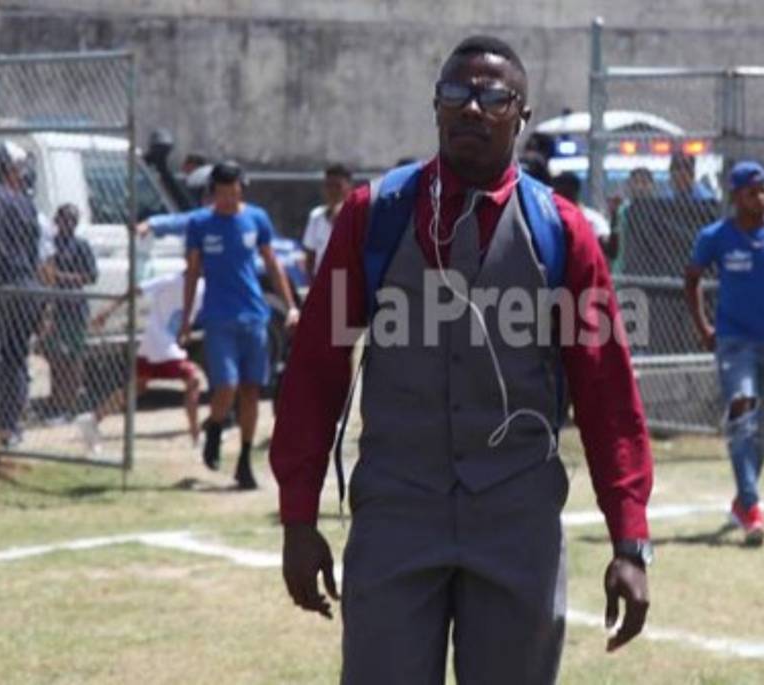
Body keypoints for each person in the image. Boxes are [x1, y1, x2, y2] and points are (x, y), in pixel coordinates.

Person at [270, 36, 653, 684]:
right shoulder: (375, 217)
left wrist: (630, 538)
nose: (471, 108)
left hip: (516, 519)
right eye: (455, 93)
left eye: (493, 96)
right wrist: (299, 516)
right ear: (436, 107)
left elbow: (605, 392)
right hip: (397, 511)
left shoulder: (561, 232)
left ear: (521, 115)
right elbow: (315, 372)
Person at [683, 160, 764, 546]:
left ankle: (741, 502)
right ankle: (752, 508)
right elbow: (692, 279)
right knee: (741, 417)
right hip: (734, 344)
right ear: (735, 196)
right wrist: (704, 327)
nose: (760, 197)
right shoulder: (715, 236)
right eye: (752, 191)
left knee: (762, 432)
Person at [181, 161, 299, 489]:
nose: (230, 199)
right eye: (223, 192)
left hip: (255, 316)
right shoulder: (200, 224)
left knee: (251, 390)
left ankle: (245, 460)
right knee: (226, 386)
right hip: (219, 317)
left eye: (235, 192)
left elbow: (272, 264)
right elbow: (191, 273)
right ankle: (215, 427)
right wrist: (187, 317)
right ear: (213, 192)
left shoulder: (256, 218)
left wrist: (290, 306)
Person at [77, 272, 205, 453]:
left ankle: (92, 420)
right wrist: (107, 311)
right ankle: (197, 436)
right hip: (161, 344)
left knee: (137, 386)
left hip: (155, 345)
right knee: (194, 380)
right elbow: (135, 290)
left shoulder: (204, 286)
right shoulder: (170, 281)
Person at [0, 142, 45, 447]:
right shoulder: (25, 204)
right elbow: (33, 249)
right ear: (12, 170)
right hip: (23, 286)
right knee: (14, 357)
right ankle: (10, 425)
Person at [39, 204, 98, 420]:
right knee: (55, 357)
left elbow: (91, 276)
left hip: (75, 307)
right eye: (64, 219)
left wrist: (60, 276)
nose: (68, 224)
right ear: (56, 220)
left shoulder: (81, 246)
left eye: (73, 220)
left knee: (74, 356)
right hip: (55, 306)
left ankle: (70, 404)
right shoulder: (50, 245)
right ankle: (56, 401)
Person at [301, 163, 354, 281]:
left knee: (339, 299)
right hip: (321, 277)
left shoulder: (357, 215)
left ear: (349, 187)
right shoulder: (316, 216)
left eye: (338, 186)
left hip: (341, 276)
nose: (333, 191)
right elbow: (311, 253)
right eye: (329, 186)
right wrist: (311, 281)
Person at [552, 171, 615, 262]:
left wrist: (614, 218)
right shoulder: (552, 216)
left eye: (560, 191)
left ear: (574, 192)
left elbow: (609, 250)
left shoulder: (591, 218)